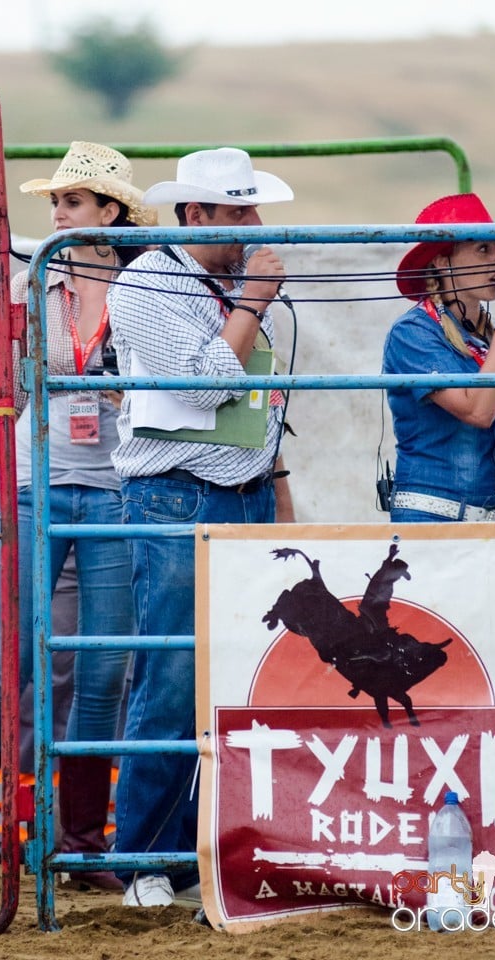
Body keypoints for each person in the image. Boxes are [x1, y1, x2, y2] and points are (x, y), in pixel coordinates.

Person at [0, 141, 157, 893]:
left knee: (100, 671)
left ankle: (85, 845)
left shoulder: (148, 291)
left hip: (119, 489)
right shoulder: (38, 281)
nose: (55, 213)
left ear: (109, 214)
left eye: (71, 202)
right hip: (39, 483)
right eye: (56, 201)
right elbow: (8, 397)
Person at [107, 146, 296, 908]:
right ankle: (144, 858)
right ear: (197, 215)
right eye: (239, 212)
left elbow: (259, 399)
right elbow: (211, 383)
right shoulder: (150, 283)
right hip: (177, 495)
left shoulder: (211, 284)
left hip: (234, 489)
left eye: (253, 211)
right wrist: (252, 299)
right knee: (173, 676)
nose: (253, 226)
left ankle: (188, 846)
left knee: (231, 675)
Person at [382, 192, 495, 523]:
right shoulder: (412, 333)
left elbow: (493, 421)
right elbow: (477, 412)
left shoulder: (488, 334)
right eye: (483, 249)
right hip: (435, 519)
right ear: (441, 261)